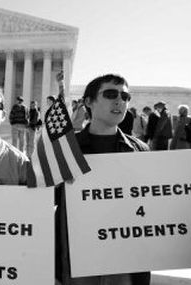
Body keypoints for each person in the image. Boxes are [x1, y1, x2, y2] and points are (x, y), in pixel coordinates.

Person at [56, 74, 150, 285]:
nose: (120, 101)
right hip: (78, 262)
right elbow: (43, 207)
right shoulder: (65, 149)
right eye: (110, 94)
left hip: (126, 263)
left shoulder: (140, 151)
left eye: (126, 96)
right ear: (88, 102)